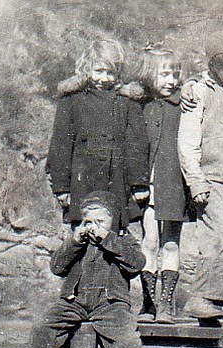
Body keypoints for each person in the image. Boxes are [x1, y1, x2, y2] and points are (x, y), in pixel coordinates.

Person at [20, 191, 146, 348]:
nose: (93, 226)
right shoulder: (78, 241)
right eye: (88, 221)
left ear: (113, 221)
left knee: (127, 340)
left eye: (100, 221)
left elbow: (136, 264)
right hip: (75, 300)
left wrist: (108, 238)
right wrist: (73, 242)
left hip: (110, 303)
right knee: (43, 326)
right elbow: (57, 267)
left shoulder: (123, 239)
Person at [178, 32, 223, 321]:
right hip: (212, 174)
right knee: (221, 231)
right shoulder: (200, 91)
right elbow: (186, 141)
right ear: (213, 66)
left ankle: (217, 299)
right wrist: (195, 179)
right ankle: (199, 296)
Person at [47, 39, 149, 229]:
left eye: (110, 73)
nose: (104, 78)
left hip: (117, 179)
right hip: (82, 180)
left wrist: (139, 183)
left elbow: (137, 145)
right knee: (83, 233)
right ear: (87, 69)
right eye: (98, 71)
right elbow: (60, 145)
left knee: (115, 232)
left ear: (118, 73)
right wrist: (61, 187)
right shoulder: (72, 102)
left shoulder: (127, 102)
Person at [136, 44, 191, 323]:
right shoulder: (139, 106)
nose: (171, 81)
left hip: (173, 184)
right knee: (149, 241)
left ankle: (166, 305)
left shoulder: (183, 106)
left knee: (171, 243)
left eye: (175, 74)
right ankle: (147, 302)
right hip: (146, 184)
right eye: (164, 74)